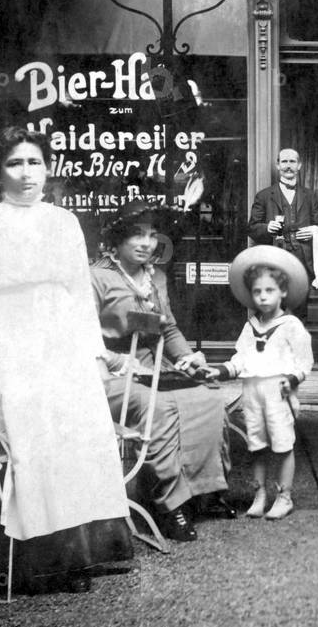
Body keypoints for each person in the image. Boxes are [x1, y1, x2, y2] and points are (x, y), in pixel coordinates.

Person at [0, 126, 130, 593]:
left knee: (79, 436)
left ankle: (85, 554)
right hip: (14, 336)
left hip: (63, 334)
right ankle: (43, 561)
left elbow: (80, 292)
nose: (26, 172)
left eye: (34, 162)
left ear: (48, 169)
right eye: (15, 163)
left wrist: (93, 352)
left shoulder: (64, 222)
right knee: (34, 441)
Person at [91, 199, 233, 543]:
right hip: (107, 372)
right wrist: (117, 362)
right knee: (162, 408)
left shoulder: (156, 277)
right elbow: (82, 336)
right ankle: (169, 503)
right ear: (117, 239)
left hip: (155, 368)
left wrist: (187, 359)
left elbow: (168, 329)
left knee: (209, 397)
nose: (146, 243)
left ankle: (204, 491)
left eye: (152, 235)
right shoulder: (95, 277)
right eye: (137, 235)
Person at [205, 246, 313, 520]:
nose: (263, 297)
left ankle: (284, 496)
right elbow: (241, 359)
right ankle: (260, 494)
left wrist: (292, 379)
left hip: (278, 391)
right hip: (252, 391)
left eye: (269, 291)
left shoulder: (291, 325)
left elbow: (304, 362)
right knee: (257, 444)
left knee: (282, 444)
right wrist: (220, 371)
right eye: (257, 292)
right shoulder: (250, 326)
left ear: (283, 292)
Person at [248, 148, 318, 321]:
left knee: (300, 313)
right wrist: (267, 228)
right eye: (284, 161)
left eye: (292, 161)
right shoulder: (264, 196)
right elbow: (252, 228)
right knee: (272, 312)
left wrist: (313, 232)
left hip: (302, 261)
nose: (288, 166)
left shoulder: (309, 195)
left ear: (299, 165)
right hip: (273, 260)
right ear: (277, 165)